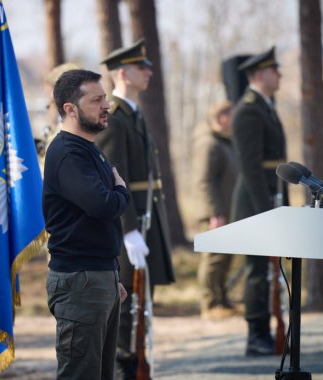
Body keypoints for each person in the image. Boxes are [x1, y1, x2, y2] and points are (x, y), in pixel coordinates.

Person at [96, 38, 175, 379]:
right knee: (127, 299)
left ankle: (137, 362)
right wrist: (126, 228)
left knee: (143, 297)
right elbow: (116, 177)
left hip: (146, 216)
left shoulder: (134, 113)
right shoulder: (115, 118)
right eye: (143, 67)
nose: (149, 72)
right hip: (130, 220)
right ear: (124, 73)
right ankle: (123, 366)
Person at [43, 69, 130, 379]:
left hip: (98, 276)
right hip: (80, 282)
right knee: (80, 374)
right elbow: (103, 205)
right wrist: (120, 190)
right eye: (96, 100)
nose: (105, 105)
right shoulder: (67, 153)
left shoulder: (88, 148)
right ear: (70, 108)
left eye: (105, 97)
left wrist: (110, 274)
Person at [230, 46, 287, 356]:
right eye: (275, 69)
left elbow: (274, 162)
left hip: (269, 195)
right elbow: (251, 166)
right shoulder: (249, 109)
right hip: (255, 201)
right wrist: (267, 212)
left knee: (269, 270)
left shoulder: (264, 105)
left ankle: (266, 331)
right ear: (261, 74)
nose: (280, 74)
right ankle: (256, 334)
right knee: (256, 269)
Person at [191, 100, 239, 319]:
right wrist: (214, 213)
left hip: (228, 210)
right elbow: (203, 181)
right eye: (231, 115)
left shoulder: (226, 142)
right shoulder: (208, 143)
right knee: (213, 259)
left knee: (225, 257)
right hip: (215, 213)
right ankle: (210, 304)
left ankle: (222, 300)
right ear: (221, 118)